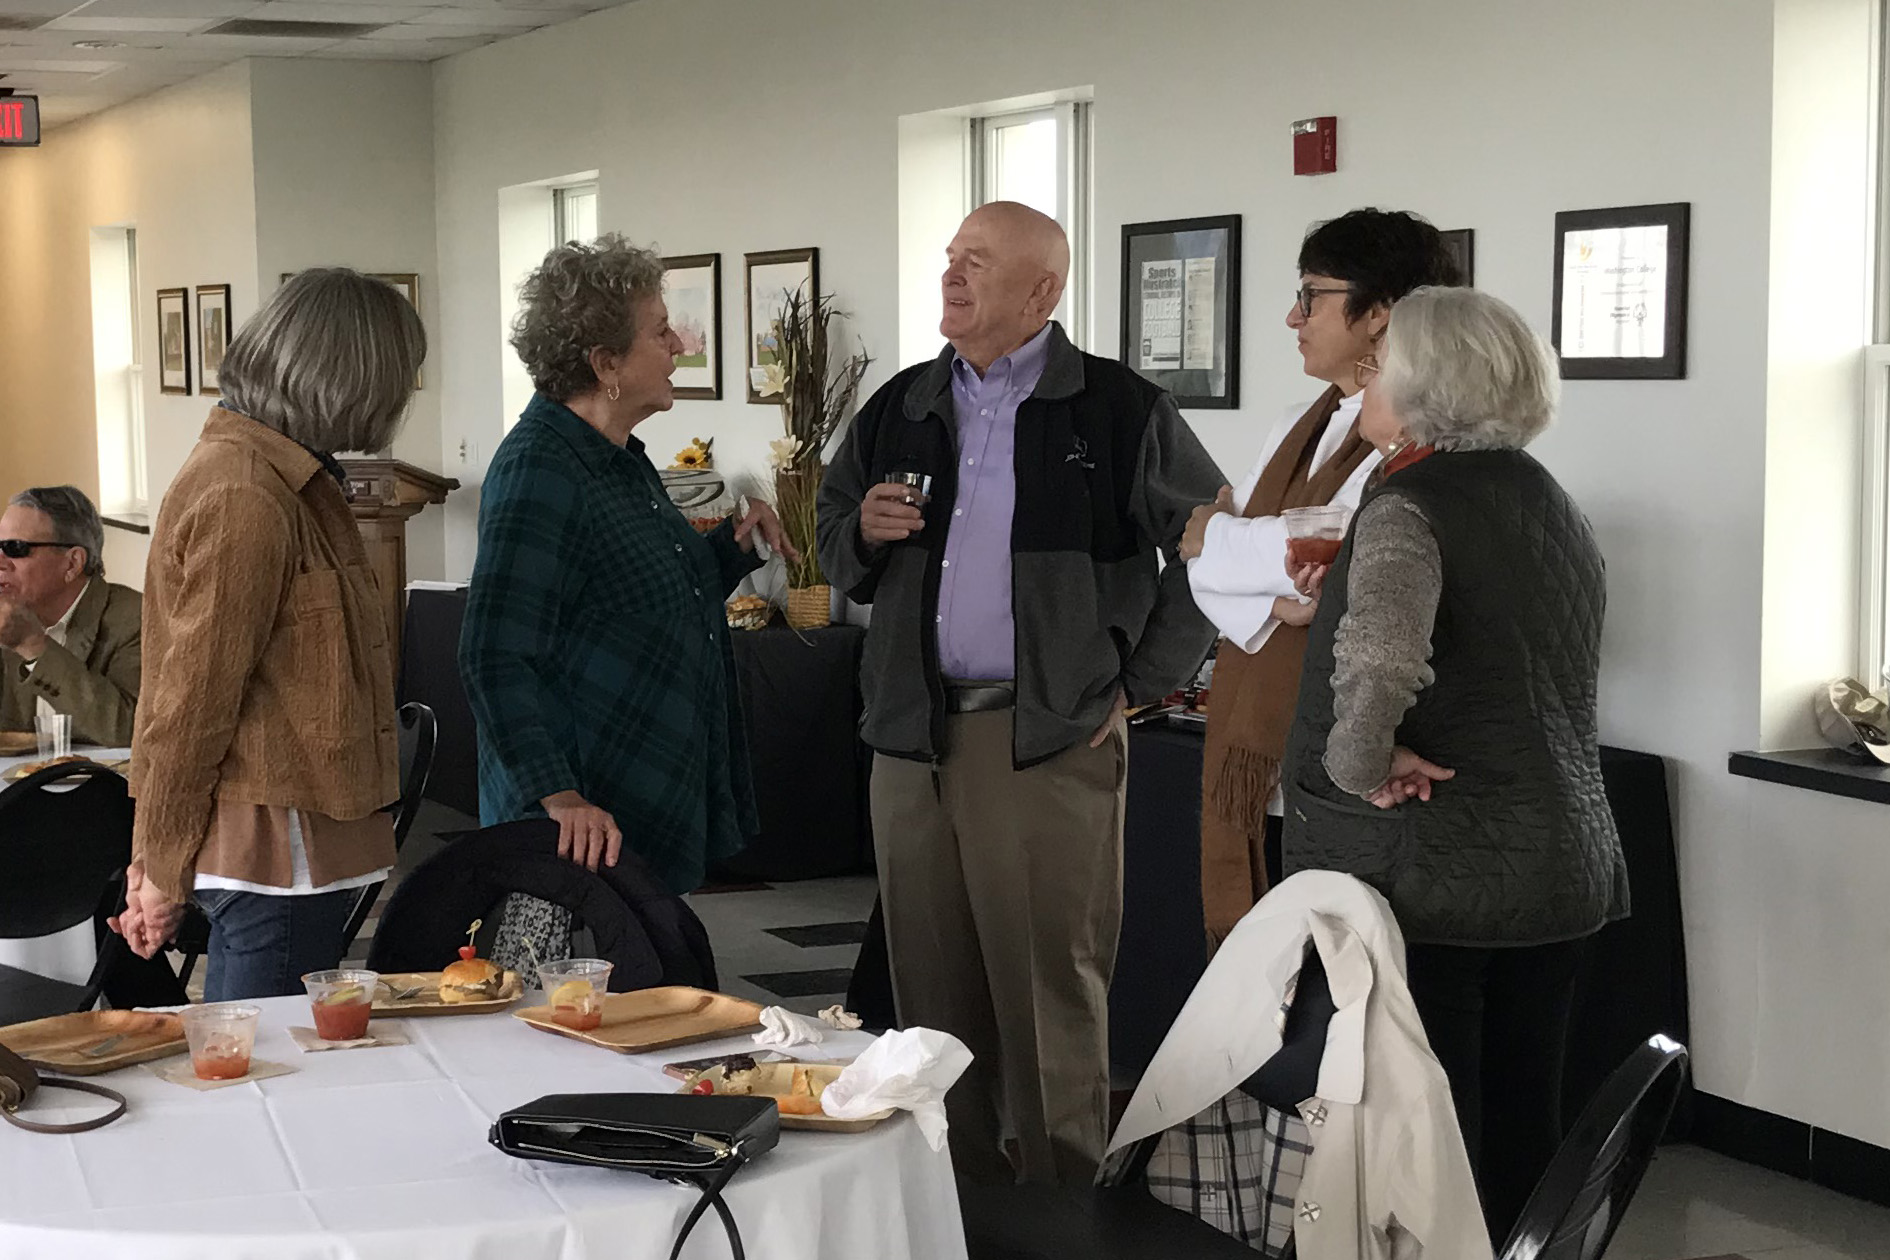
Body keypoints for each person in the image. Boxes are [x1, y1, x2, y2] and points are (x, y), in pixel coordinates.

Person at [817, 200, 1224, 1185]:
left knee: (1048, 1004)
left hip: (1044, 746)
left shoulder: (1124, 412)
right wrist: (860, 534)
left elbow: (1216, 547)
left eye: (979, 263)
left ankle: (1062, 1217)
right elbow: (827, 536)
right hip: (913, 747)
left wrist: (1134, 688)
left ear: (1044, 291)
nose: (952, 277)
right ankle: (950, 1215)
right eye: (950, 258)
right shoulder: (902, 404)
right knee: (931, 1011)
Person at [1279, 285, 1629, 1243]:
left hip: (1440, 875)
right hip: (1560, 860)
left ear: (1422, 385)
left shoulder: (1410, 505)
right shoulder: (1546, 498)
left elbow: (1384, 663)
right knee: (1524, 1131)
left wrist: (1359, 763)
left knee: (1431, 1149)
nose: (1365, 382)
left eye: (1381, 366)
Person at [460, 234, 793, 970]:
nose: (677, 344)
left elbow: (653, 596)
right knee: (555, 1025)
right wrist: (558, 794)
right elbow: (494, 652)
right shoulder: (540, 468)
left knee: (641, 1015)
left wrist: (737, 546)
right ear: (605, 365)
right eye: (658, 331)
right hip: (579, 824)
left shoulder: (618, 459)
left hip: (630, 804)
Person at [111, 269, 426, 1001]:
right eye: (396, 374)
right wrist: (158, 865)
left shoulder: (277, 479)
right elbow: (189, 704)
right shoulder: (245, 492)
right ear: (349, 380)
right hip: (267, 850)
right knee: (259, 1079)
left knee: (264, 1067)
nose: (405, 392)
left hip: (285, 841)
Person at [1180, 209, 1461, 947]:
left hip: (1338, 759)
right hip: (1259, 749)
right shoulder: (1294, 422)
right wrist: (1263, 585)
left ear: (1381, 315)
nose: (1291, 317)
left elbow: (1332, 549)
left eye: (1312, 296)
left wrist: (1226, 539)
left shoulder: (1410, 437)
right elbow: (1198, 565)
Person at [0, 486, 141, 745]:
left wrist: (32, 645)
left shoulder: (136, 619)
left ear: (72, 563)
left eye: (15, 548)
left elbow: (129, 732)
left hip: (104, 782)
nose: (1, 561)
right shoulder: (6, 617)